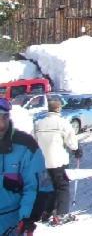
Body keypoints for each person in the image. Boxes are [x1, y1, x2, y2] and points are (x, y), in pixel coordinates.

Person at [0, 97, 47, 235]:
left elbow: (36, 187)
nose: (1, 124)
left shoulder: (26, 145)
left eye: (5, 117)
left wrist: (27, 218)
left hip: (13, 222)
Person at [33, 99, 81, 225]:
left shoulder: (39, 123)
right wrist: (77, 150)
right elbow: (72, 141)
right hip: (58, 161)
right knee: (62, 186)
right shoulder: (62, 123)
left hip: (42, 162)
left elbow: (33, 140)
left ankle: (46, 212)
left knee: (48, 187)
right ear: (59, 109)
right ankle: (61, 214)